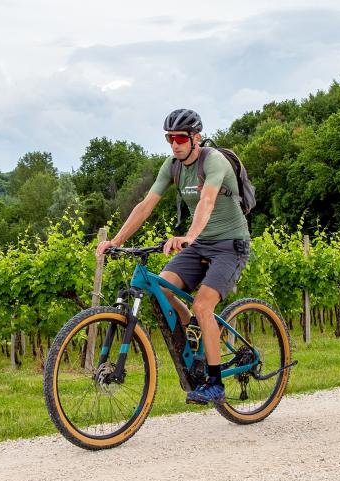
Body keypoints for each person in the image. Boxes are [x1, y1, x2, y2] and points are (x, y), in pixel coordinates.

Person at [96, 108, 251, 404]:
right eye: (170, 138)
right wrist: (115, 240)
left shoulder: (213, 161)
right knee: (163, 287)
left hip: (230, 244)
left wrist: (189, 236)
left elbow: (207, 200)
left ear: (196, 138)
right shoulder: (172, 166)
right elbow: (146, 204)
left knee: (205, 304)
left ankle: (215, 382)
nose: (174, 144)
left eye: (180, 137)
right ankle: (192, 322)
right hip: (199, 244)